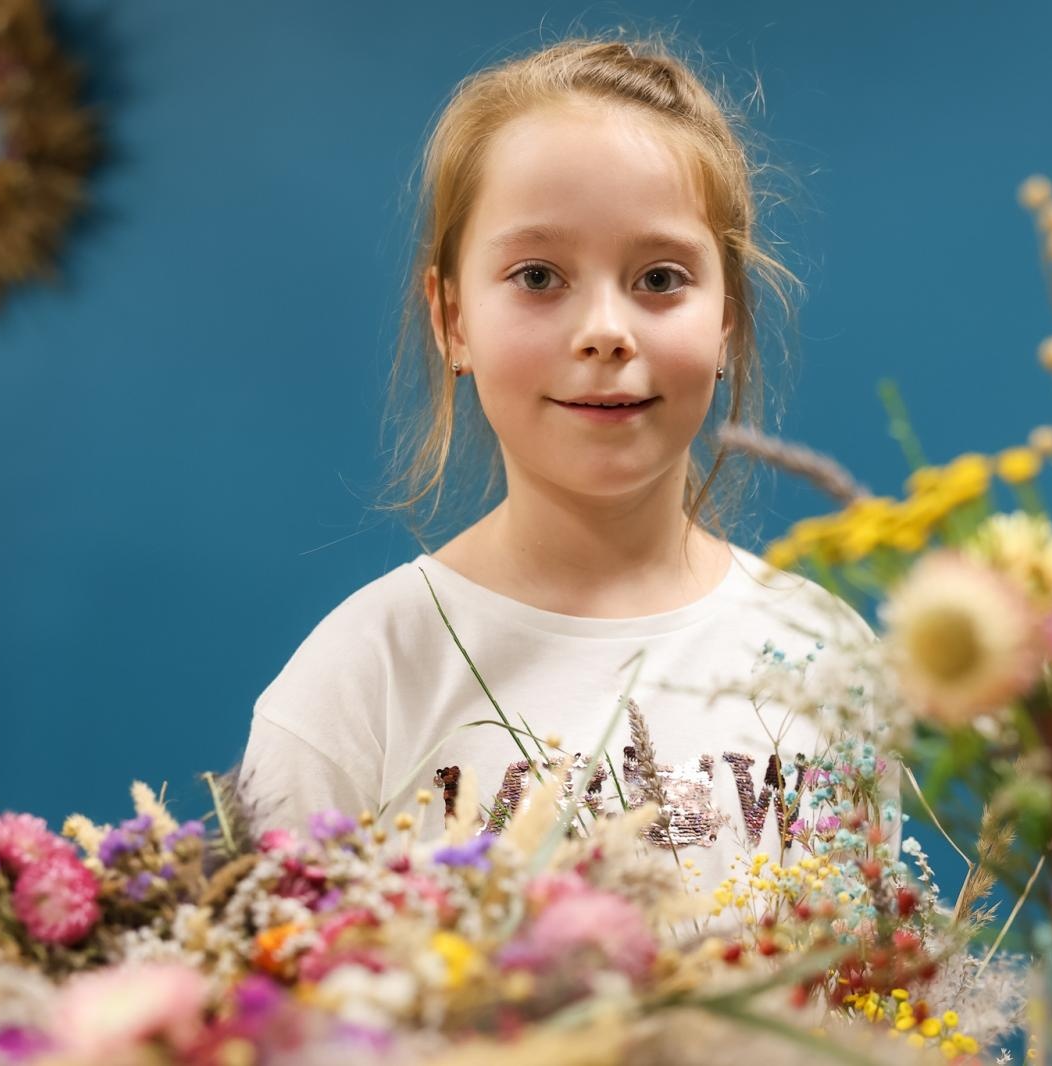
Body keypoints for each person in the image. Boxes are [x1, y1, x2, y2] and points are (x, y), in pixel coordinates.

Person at [238, 34, 887, 893]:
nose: (605, 330)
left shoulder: (826, 656)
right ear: (453, 318)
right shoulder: (363, 683)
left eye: (660, 278)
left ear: (726, 316)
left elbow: (884, 997)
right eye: (539, 275)